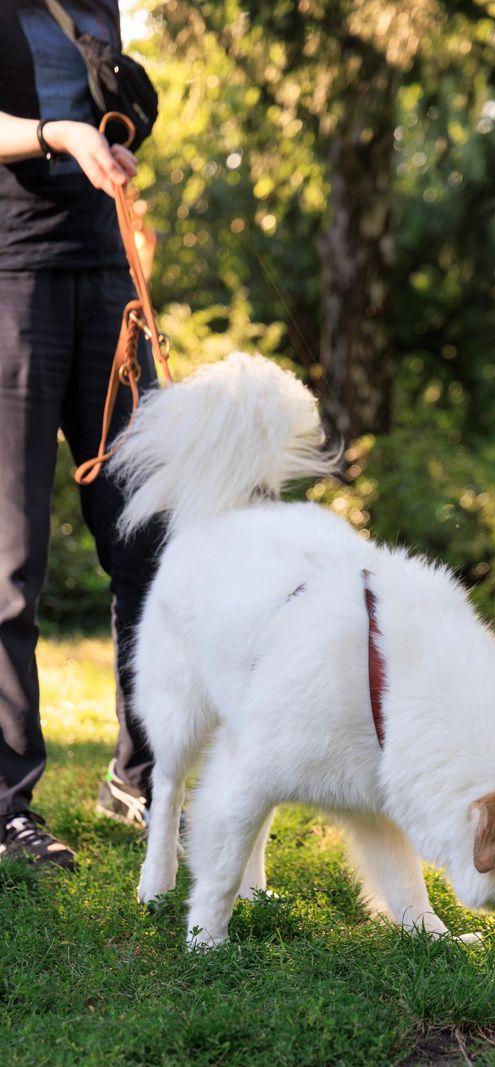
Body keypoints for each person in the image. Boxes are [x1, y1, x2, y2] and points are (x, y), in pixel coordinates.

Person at [0, 0, 162, 868]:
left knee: (148, 539)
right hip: (10, 277)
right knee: (9, 565)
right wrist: (59, 136)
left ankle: (142, 777)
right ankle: (5, 807)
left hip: (107, 274)